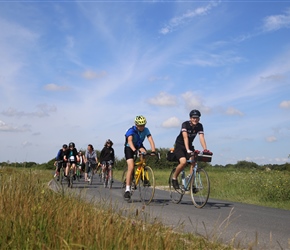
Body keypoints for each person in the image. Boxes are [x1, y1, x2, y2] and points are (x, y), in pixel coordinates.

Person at [171, 109, 210, 190]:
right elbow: (185, 137)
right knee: (183, 162)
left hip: (190, 145)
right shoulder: (185, 124)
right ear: (190, 118)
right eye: (193, 118)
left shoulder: (199, 126)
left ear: (199, 119)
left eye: (197, 118)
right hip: (180, 146)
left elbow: (201, 137)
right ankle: (174, 178)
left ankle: (191, 185)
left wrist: (205, 149)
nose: (195, 119)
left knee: (193, 162)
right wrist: (187, 149)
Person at [123, 115, 156, 200]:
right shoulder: (131, 130)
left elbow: (150, 140)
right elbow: (129, 141)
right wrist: (134, 150)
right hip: (129, 147)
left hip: (138, 145)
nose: (142, 127)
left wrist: (153, 151)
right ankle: (127, 189)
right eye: (140, 125)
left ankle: (142, 173)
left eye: (143, 125)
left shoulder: (146, 130)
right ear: (136, 125)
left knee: (144, 153)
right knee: (131, 166)